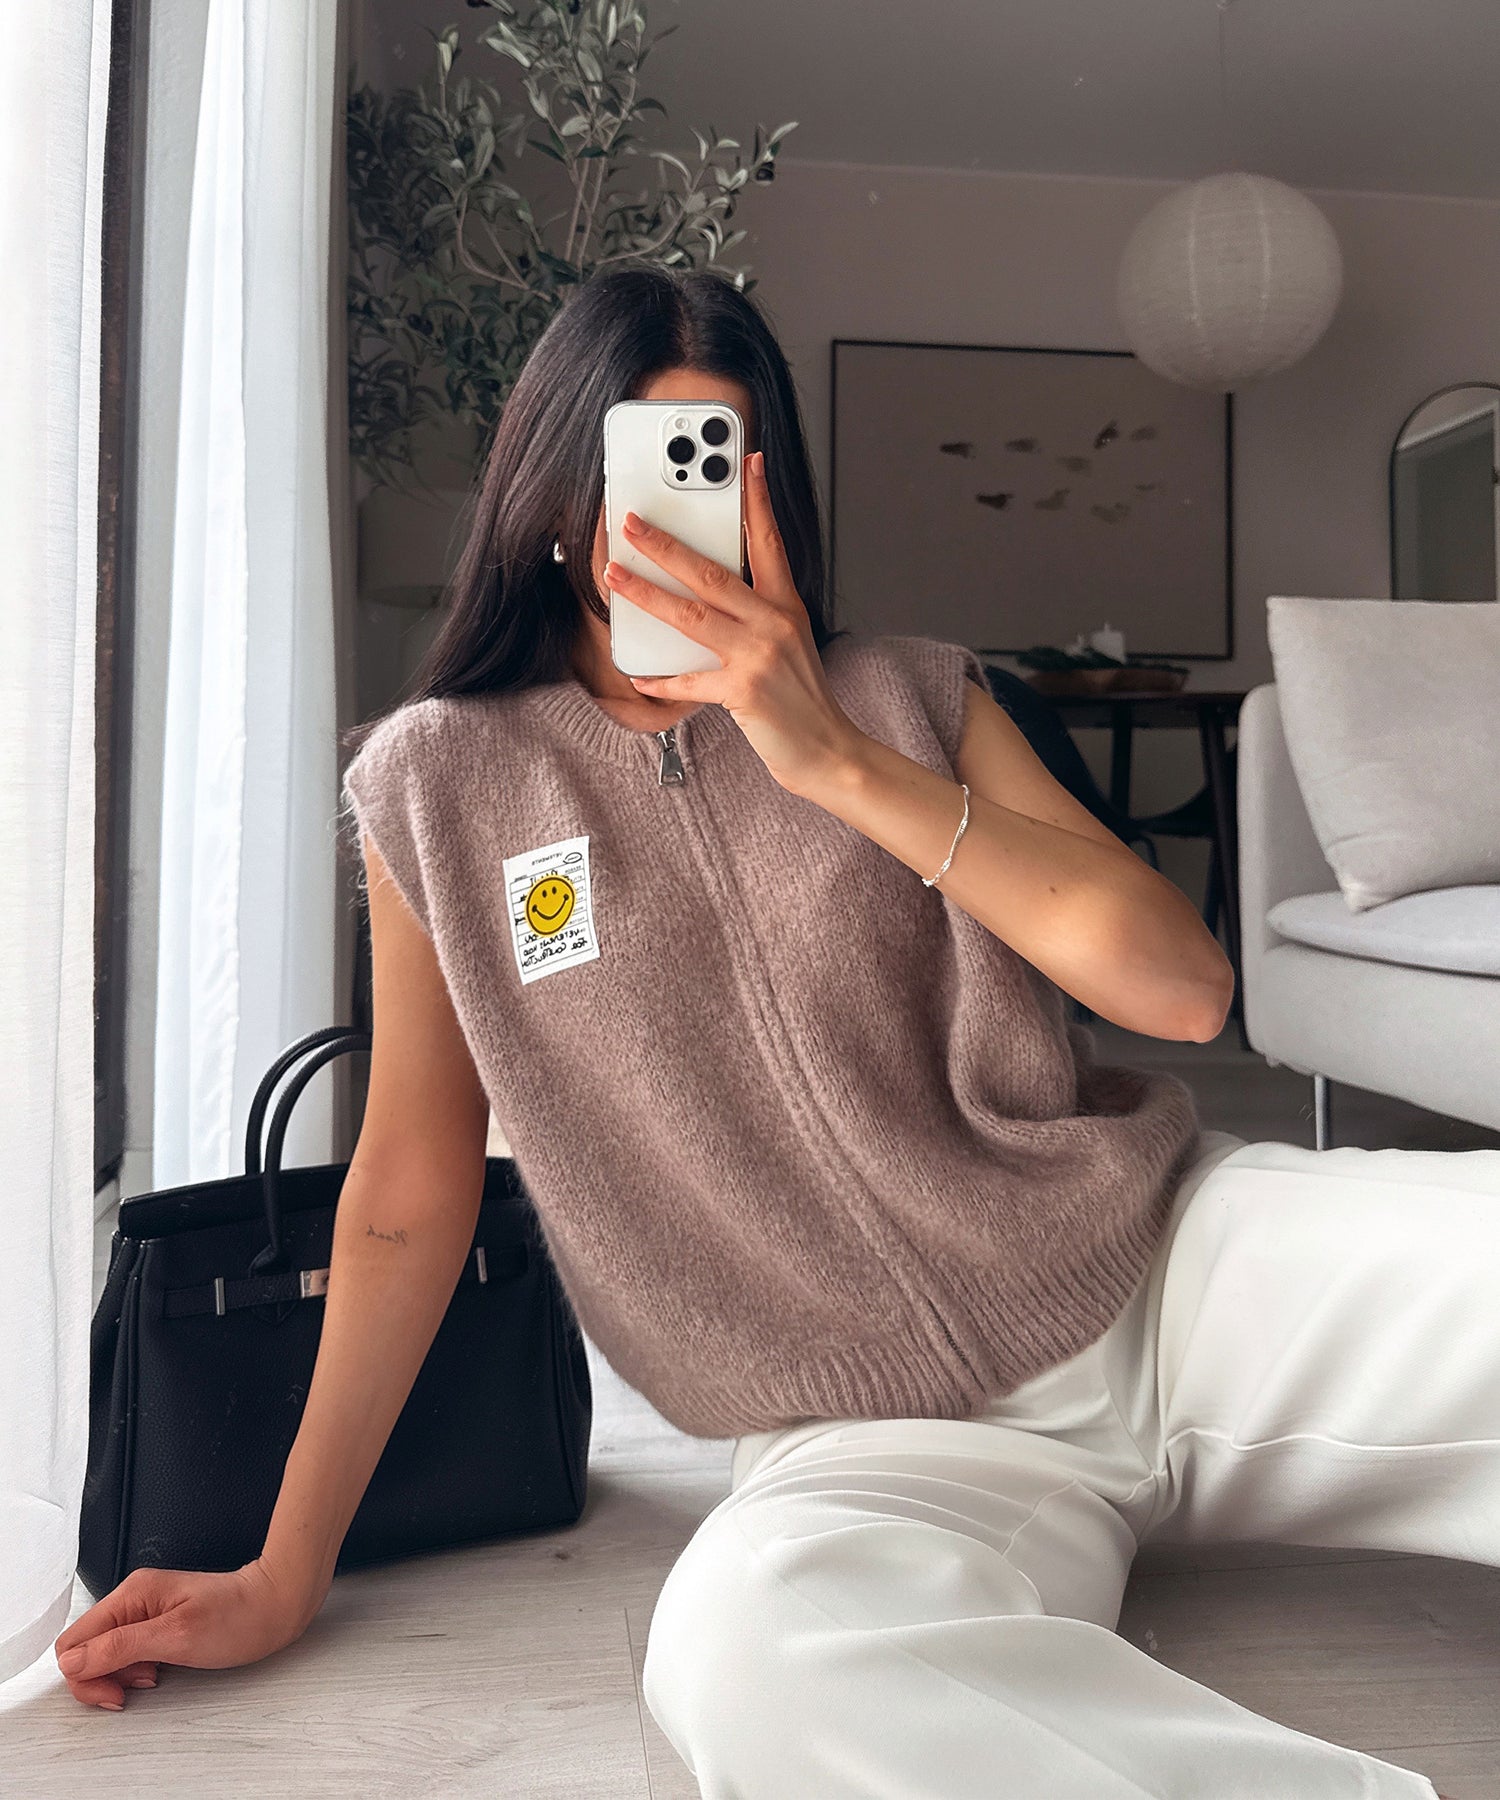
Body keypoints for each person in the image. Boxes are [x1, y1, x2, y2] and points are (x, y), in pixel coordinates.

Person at [53, 268, 1488, 1800]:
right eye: (645, 466)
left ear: (771, 496)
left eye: (719, 466)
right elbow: (408, 1187)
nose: (680, 520)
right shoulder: (436, 786)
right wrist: (284, 1567)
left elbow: (1182, 991)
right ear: (558, 497)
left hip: (1167, 1280)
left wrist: (839, 763)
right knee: (749, 1653)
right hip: (876, 1444)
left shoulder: (908, 695)